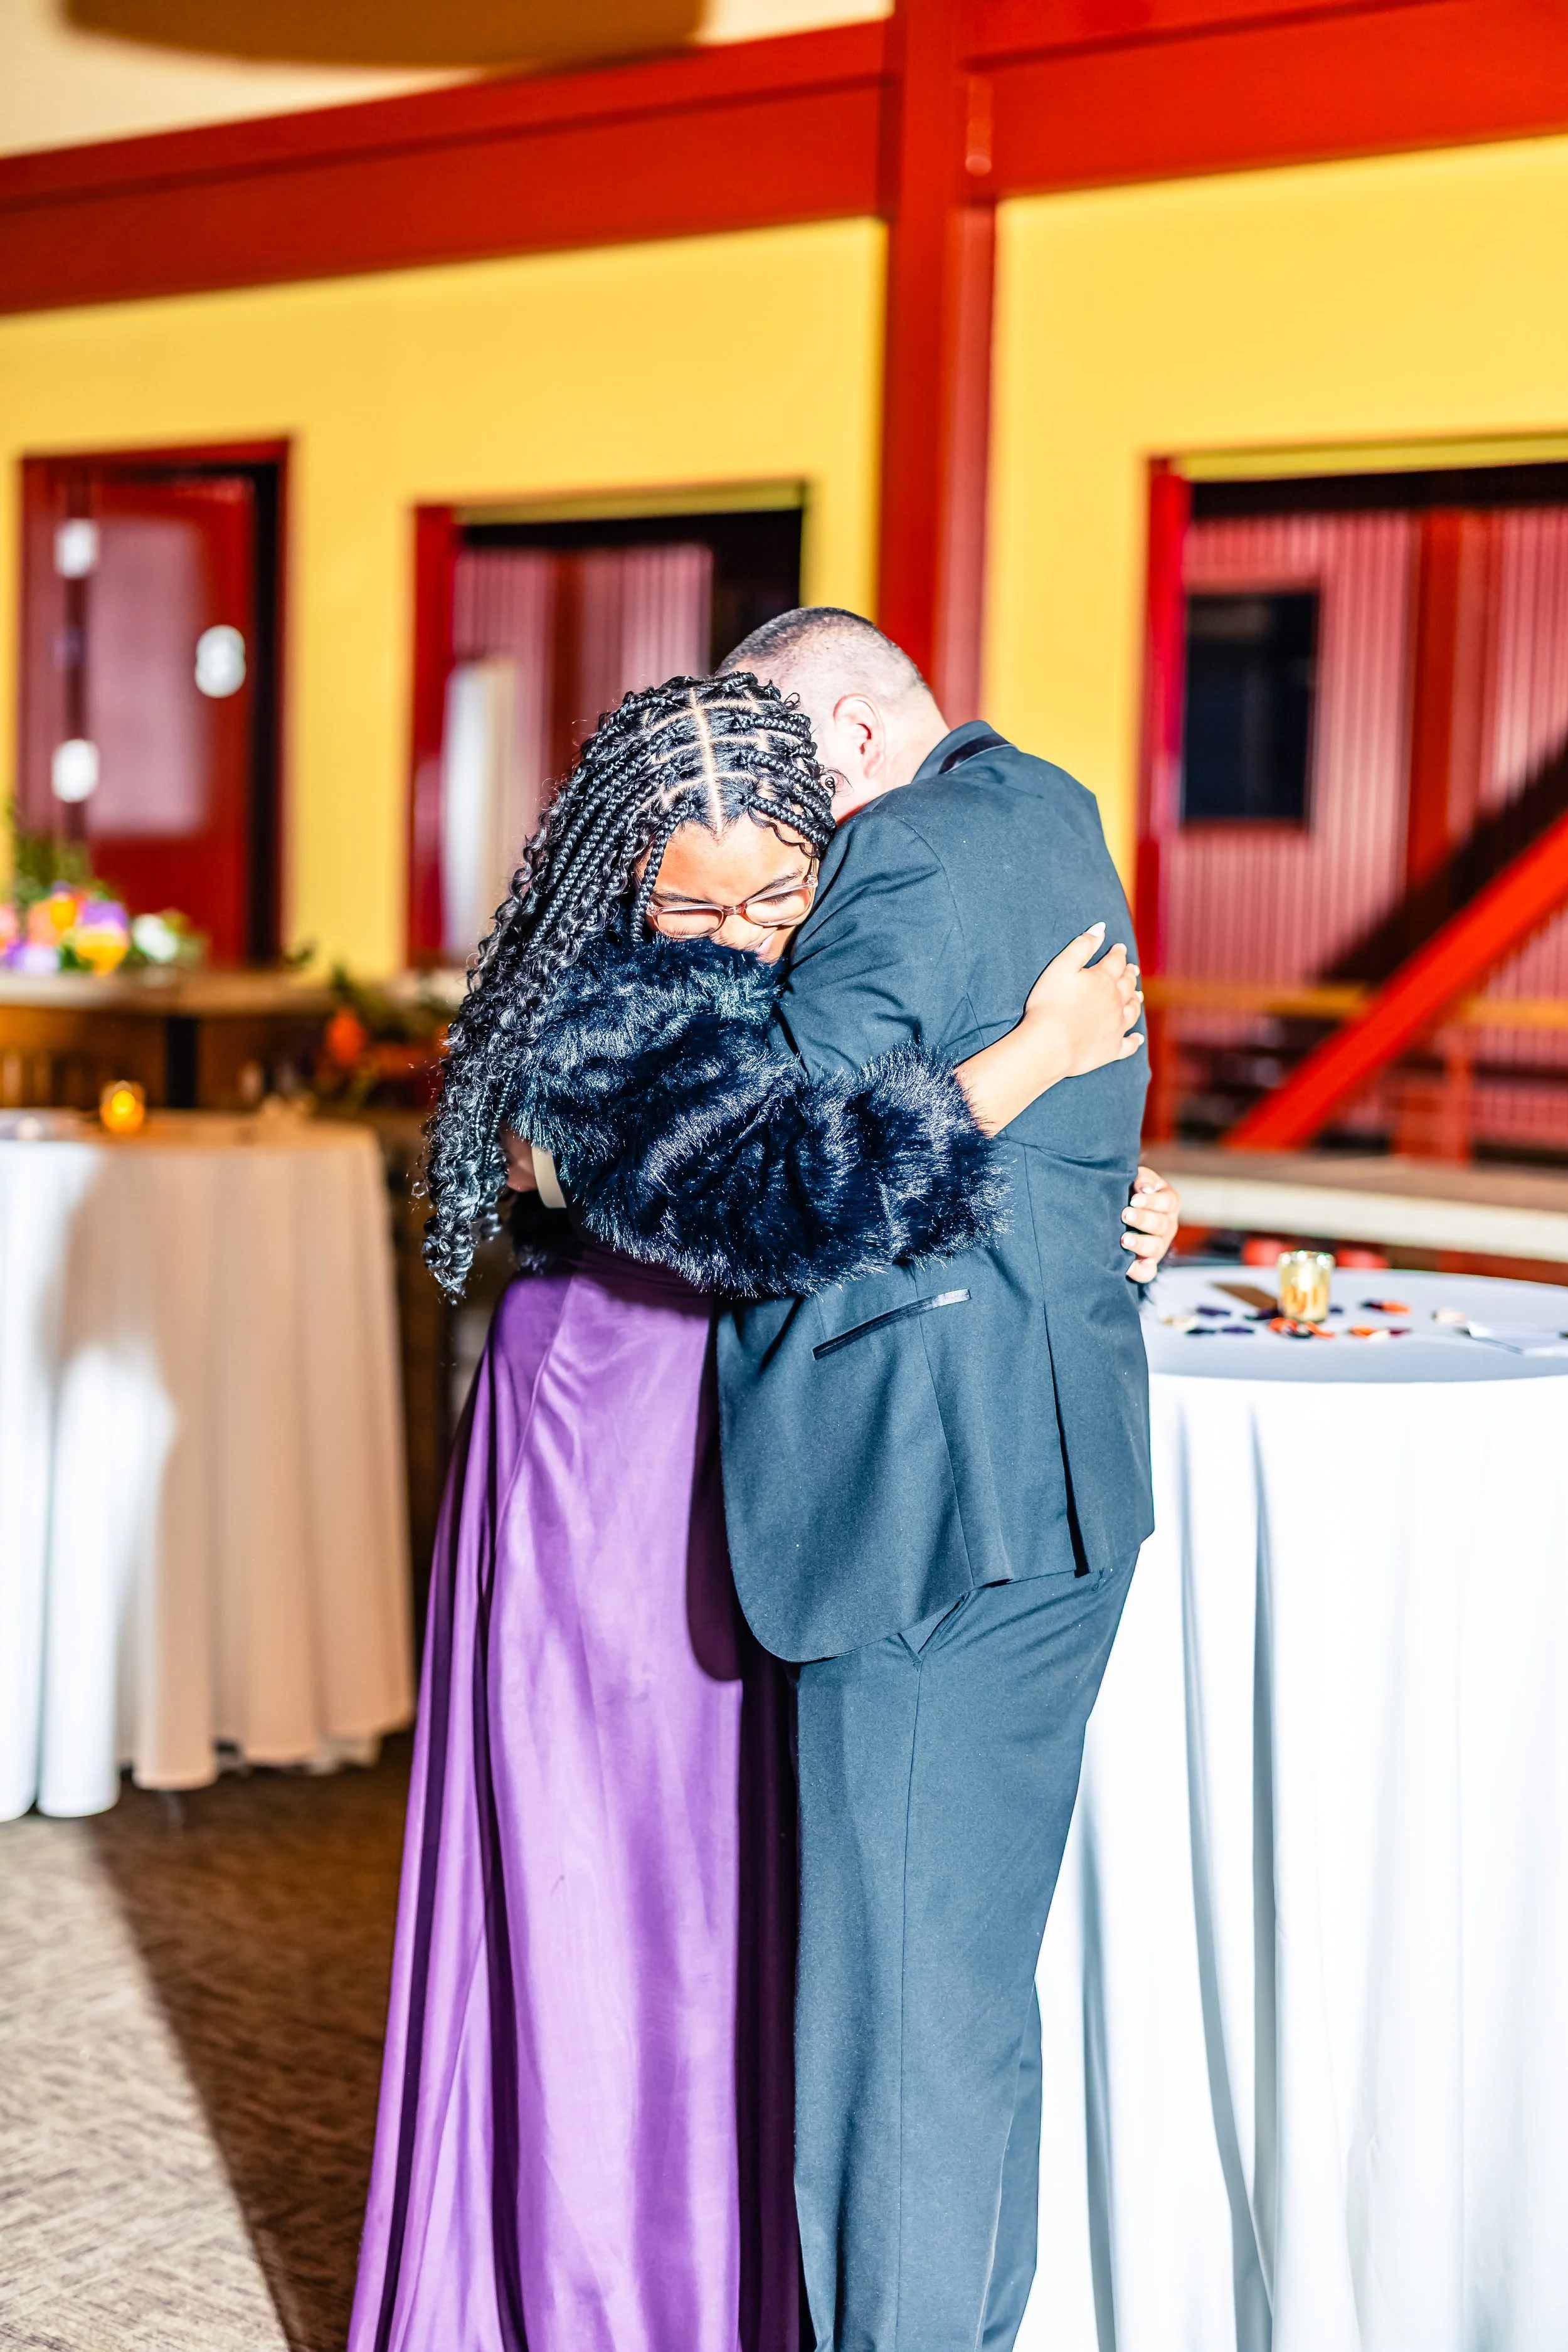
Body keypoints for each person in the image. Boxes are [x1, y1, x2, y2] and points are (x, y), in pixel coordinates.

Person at [350, 671, 1170, 2352]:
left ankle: (741, 2291)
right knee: (611, 1881)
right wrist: (1034, 1061)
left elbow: (865, 1121)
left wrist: (1081, 1205)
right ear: (619, 880)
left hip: (752, 1428)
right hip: (602, 1434)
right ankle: (595, 2290)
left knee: (755, 1896)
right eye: (693, 898)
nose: (735, 931)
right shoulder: (601, 1013)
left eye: (775, 891)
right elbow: (775, 1189)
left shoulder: (848, 919)